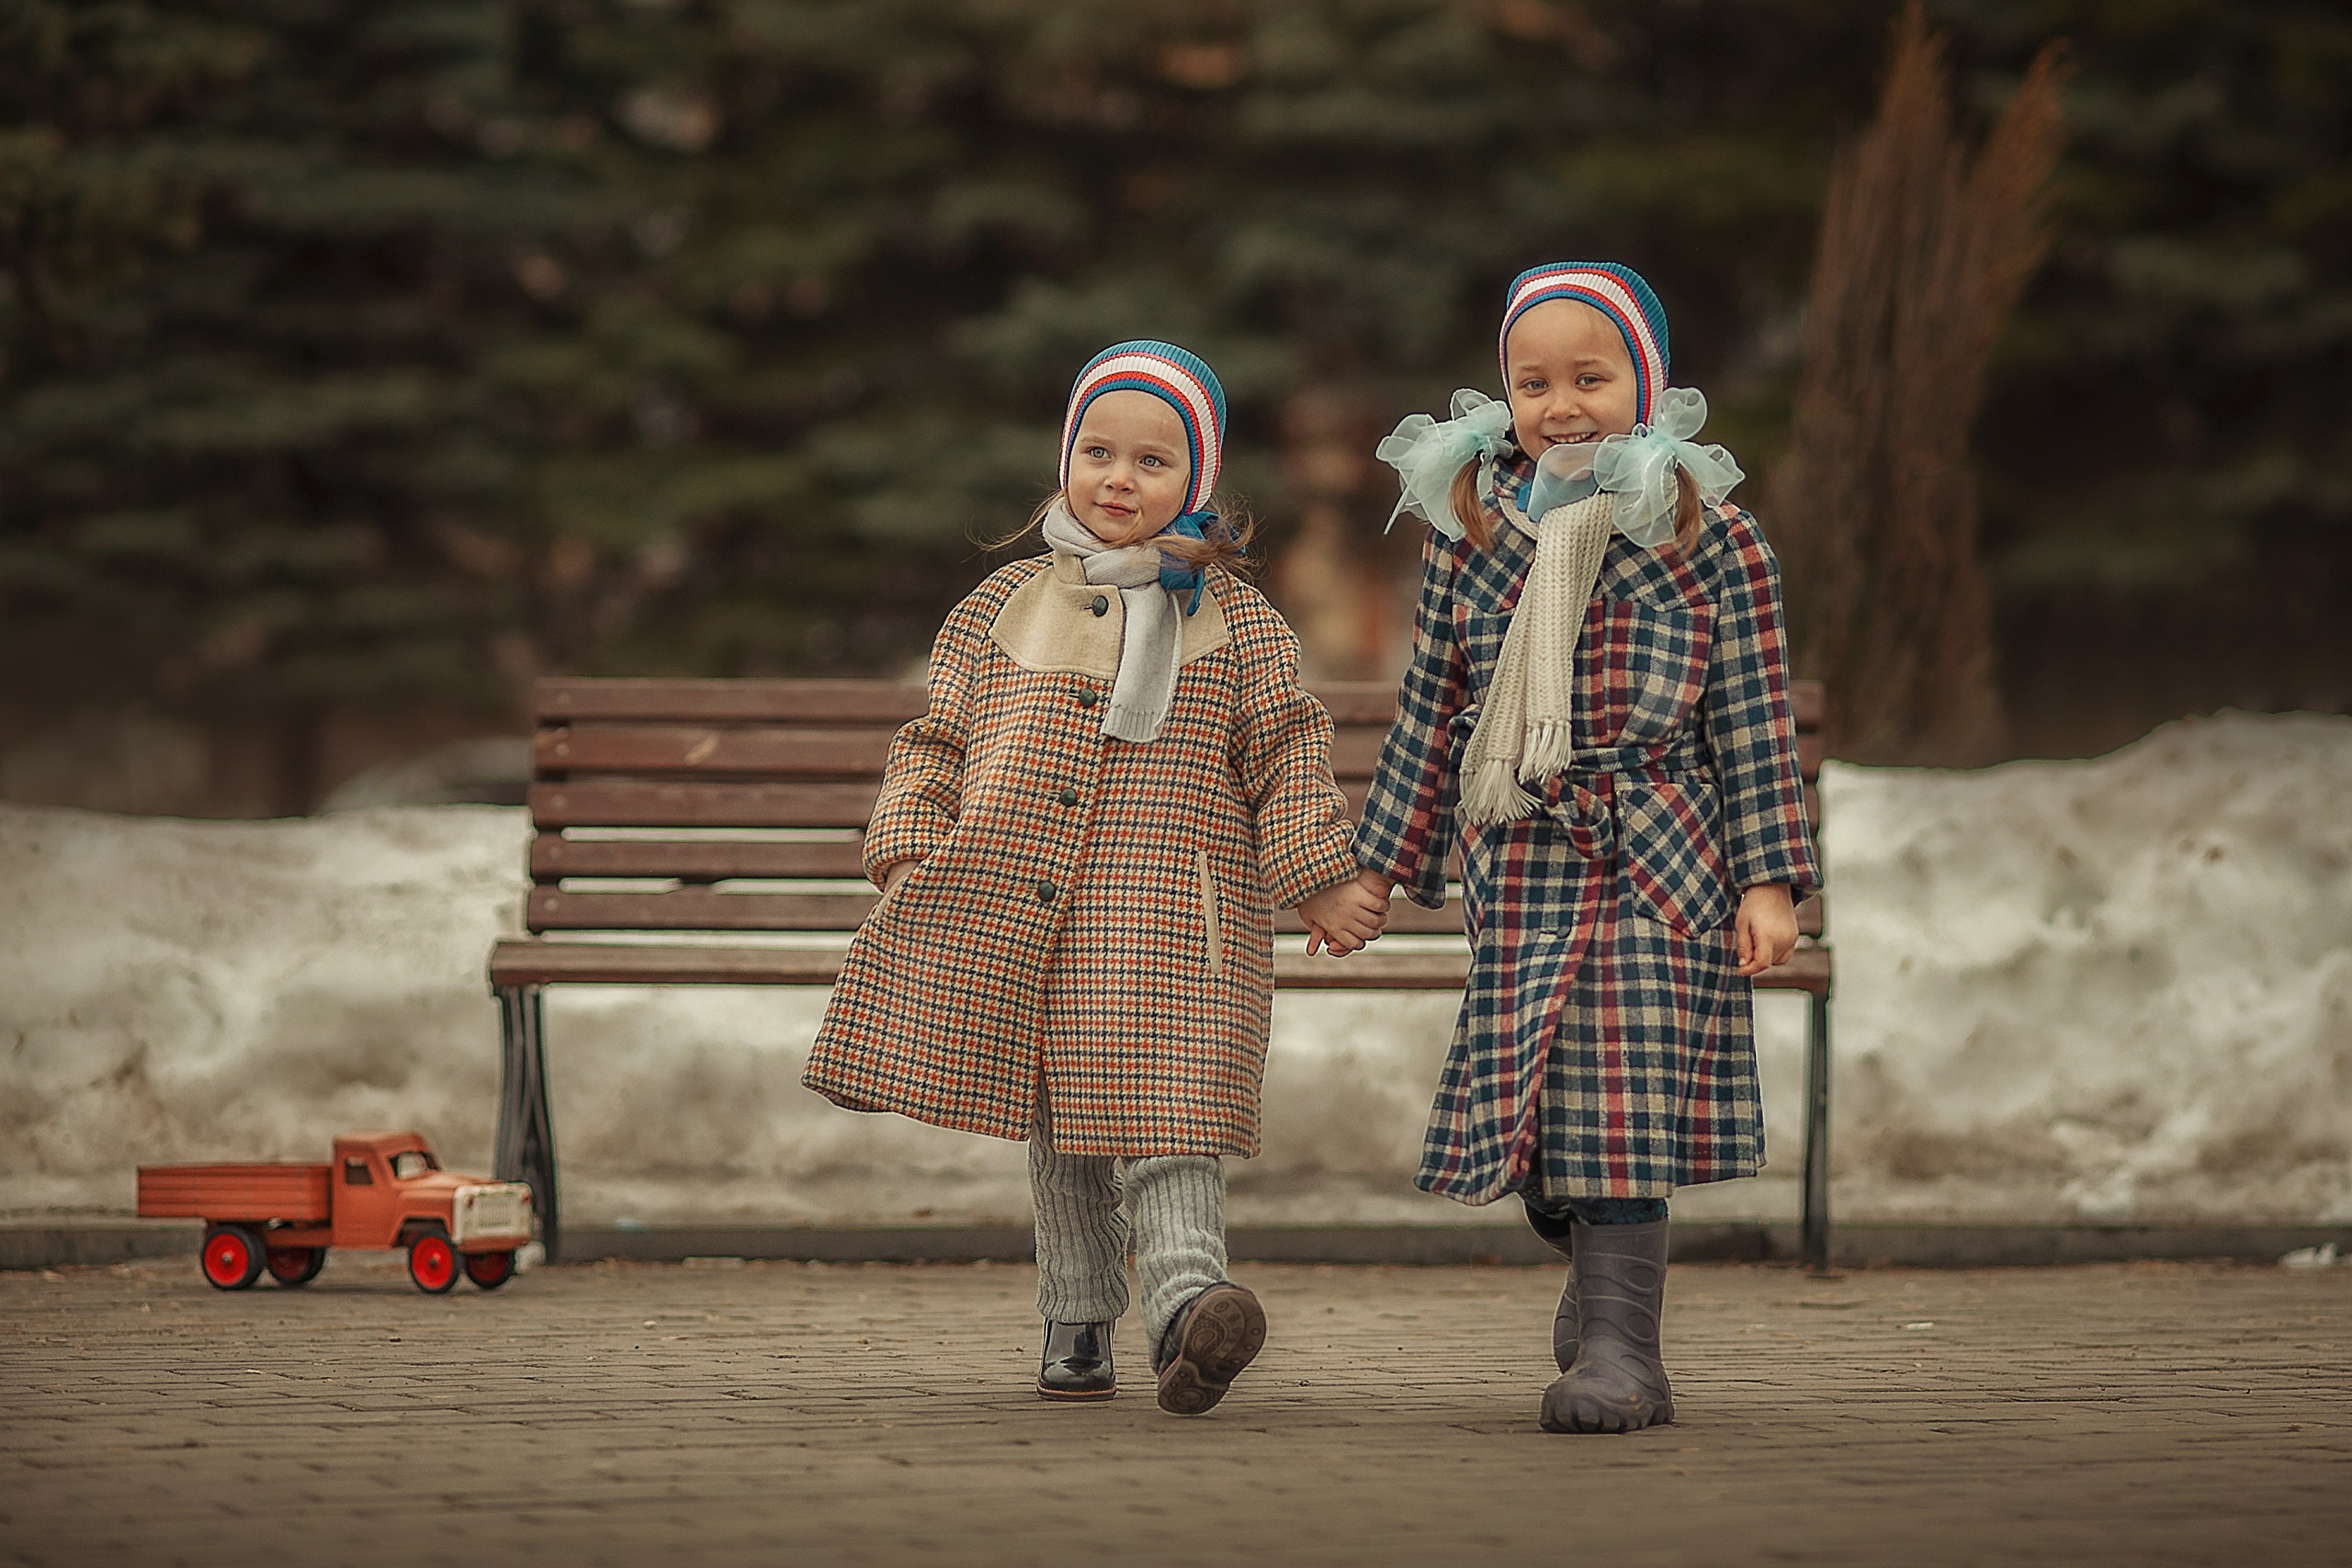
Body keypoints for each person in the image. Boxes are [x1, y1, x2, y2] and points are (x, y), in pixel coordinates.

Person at [803, 340, 1389, 1415]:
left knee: (1171, 1114)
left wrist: (1316, 875)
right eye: (1098, 452)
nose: (1119, 478)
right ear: (1065, 459)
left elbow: (1286, 752)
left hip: (1174, 919)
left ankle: (1188, 1305)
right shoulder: (1000, 608)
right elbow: (936, 740)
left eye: (1153, 461)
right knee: (1064, 1133)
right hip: (1033, 915)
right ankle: (1075, 1317)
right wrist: (908, 840)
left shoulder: (1238, 622)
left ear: (1196, 481)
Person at [1352, 263, 1822, 1434]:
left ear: (1644, 387)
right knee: (1539, 1117)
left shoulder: (1709, 535)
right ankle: (1590, 1255)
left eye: (1589, 378)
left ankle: (1624, 1350)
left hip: (1659, 853)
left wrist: (1768, 880)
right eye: (1533, 383)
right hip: (1518, 853)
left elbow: (1752, 719)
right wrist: (1376, 865)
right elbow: (1430, 709)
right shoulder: (1472, 533)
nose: (1560, 405)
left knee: (1620, 1099)